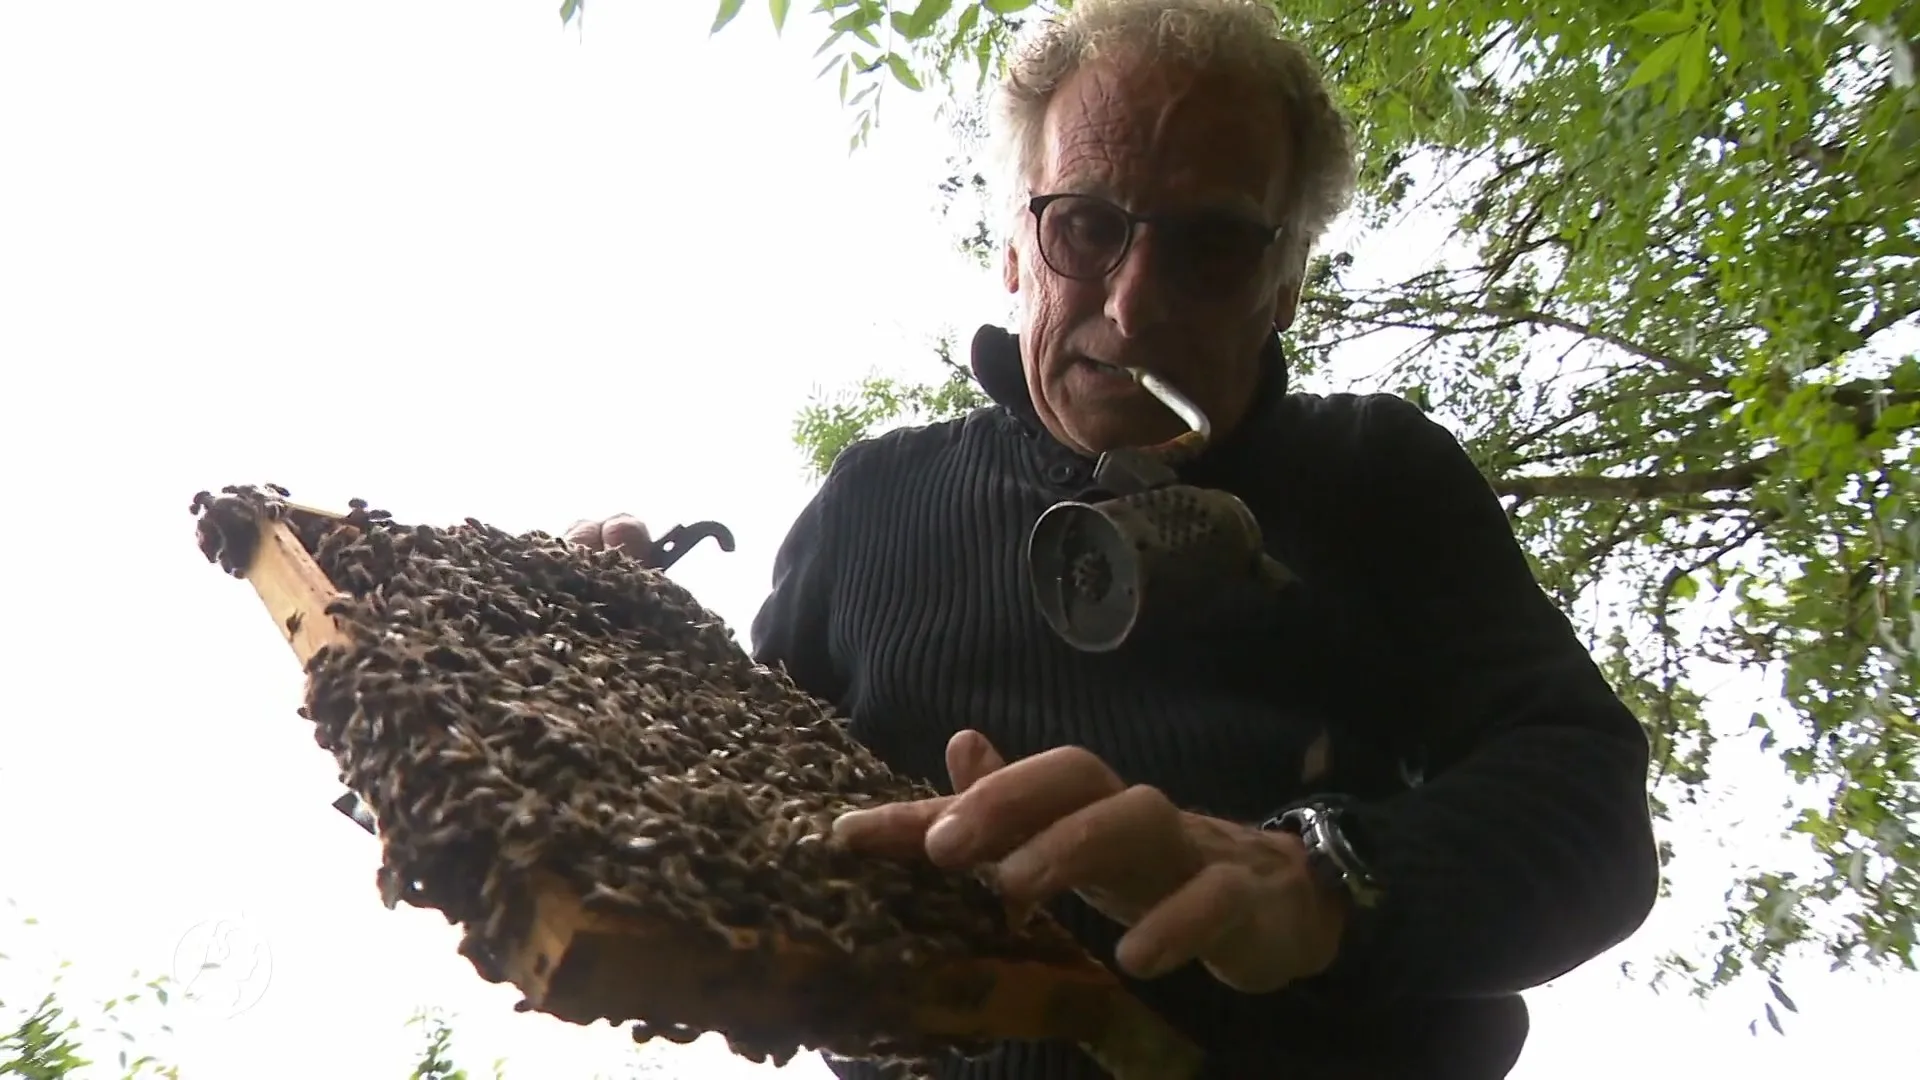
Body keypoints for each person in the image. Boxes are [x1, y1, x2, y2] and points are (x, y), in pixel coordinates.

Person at [568, 0, 1660, 1075]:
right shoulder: (873, 495)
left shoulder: (1376, 470)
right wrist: (606, 656)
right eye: (1087, 226)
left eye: (1215, 247)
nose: (1134, 310)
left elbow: (1585, 803)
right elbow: (721, 798)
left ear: (1283, 289)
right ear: (1015, 246)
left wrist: (1322, 878)